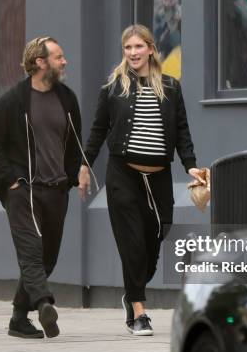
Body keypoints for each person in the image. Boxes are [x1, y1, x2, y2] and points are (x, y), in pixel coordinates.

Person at [78, 24, 204, 336]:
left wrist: (191, 165)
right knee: (132, 245)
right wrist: (85, 165)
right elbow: (97, 132)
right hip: (124, 176)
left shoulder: (171, 87)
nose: (133, 53)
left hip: (158, 178)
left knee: (154, 243)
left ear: (150, 49)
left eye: (138, 47)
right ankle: (138, 312)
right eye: (128, 48)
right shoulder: (113, 89)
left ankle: (131, 292)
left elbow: (182, 131)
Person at [0, 36, 83, 339]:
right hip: (23, 189)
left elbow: (75, 142)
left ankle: (18, 318)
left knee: (47, 257)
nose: (64, 62)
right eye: (58, 57)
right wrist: (9, 182)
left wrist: (75, 173)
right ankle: (43, 304)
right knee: (31, 251)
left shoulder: (66, 98)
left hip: (56, 190)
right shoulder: (13, 101)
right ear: (40, 62)